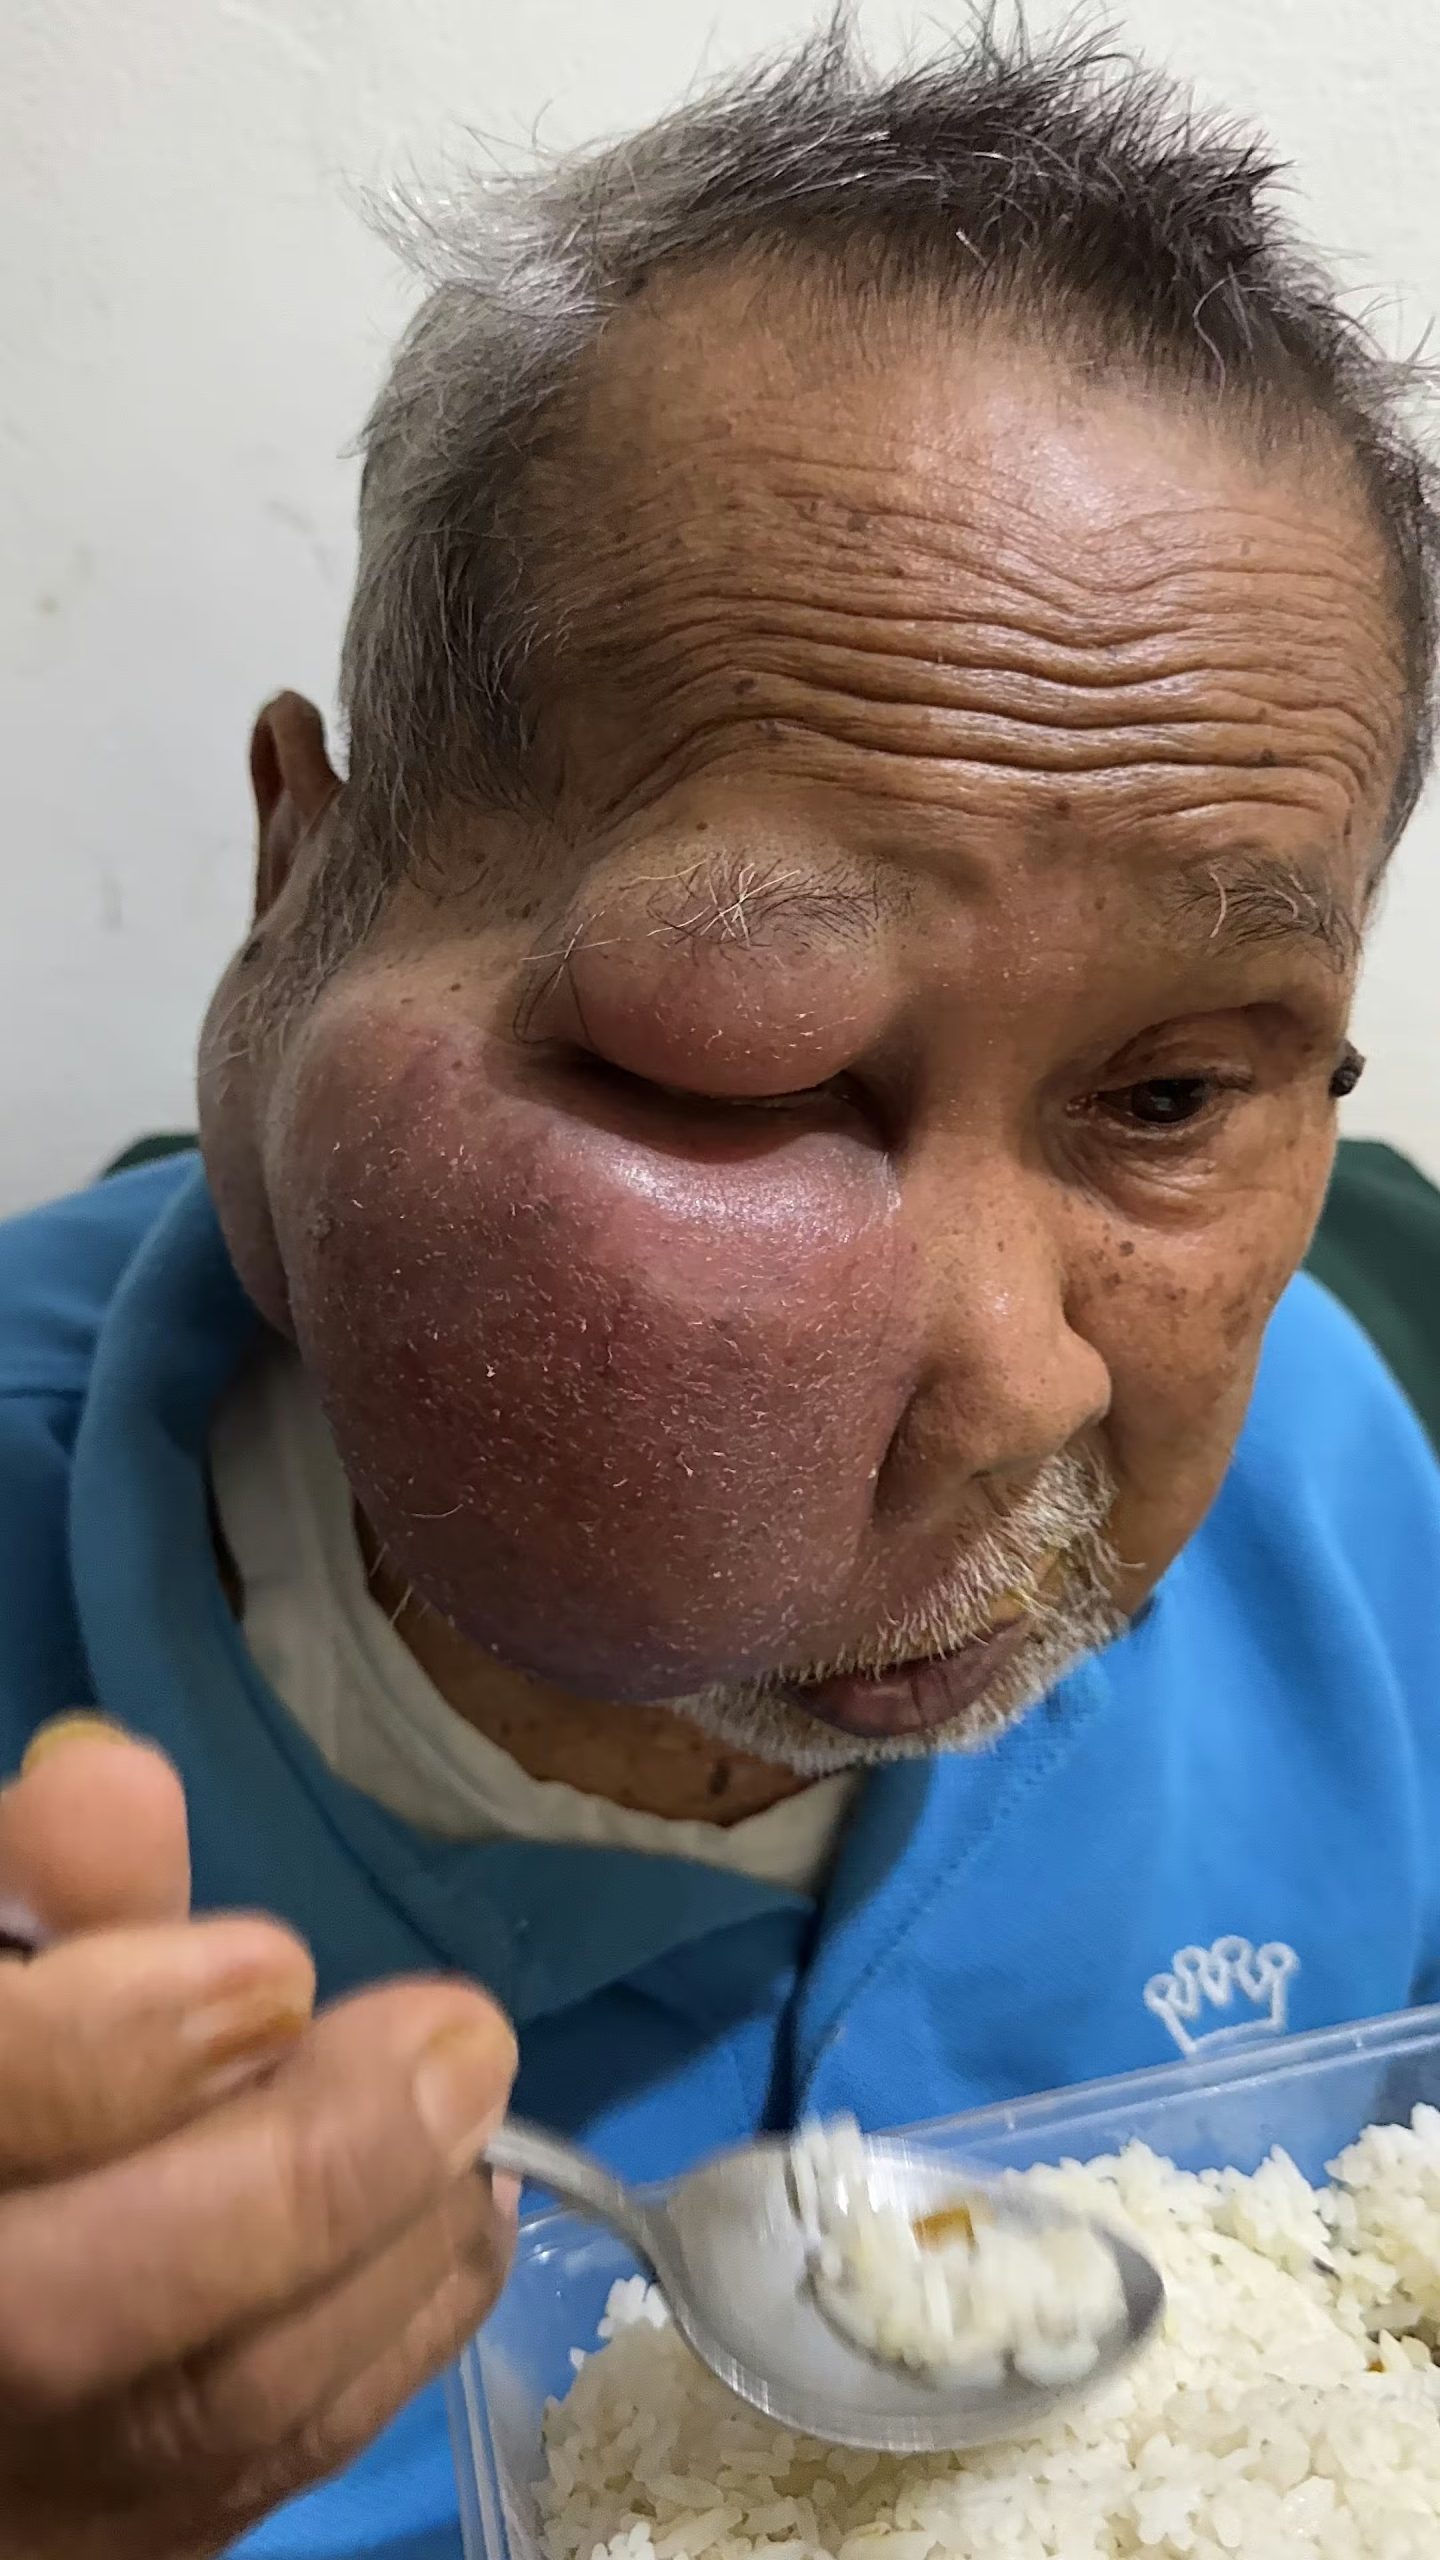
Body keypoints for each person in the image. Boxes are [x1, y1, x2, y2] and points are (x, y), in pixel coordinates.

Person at [3, 22, 1440, 2557]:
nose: (1012, 1387)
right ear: (301, 892)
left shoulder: (1362, 1465)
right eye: (740, 1074)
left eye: (1172, 1096)